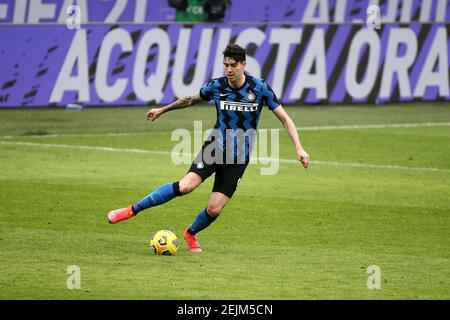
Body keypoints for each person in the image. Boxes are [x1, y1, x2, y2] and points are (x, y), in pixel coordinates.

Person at [107, 44, 310, 253]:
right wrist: (163, 110)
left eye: (233, 65)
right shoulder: (217, 86)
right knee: (186, 186)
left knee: (214, 209)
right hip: (215, 148)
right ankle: (131, 210)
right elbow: (189, 100)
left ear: (243, 65)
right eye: (226, 65)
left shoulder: (259, 88)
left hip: (239, 157)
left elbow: (285, 119)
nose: (229, 70)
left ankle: (190, 233)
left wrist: (299, 148)